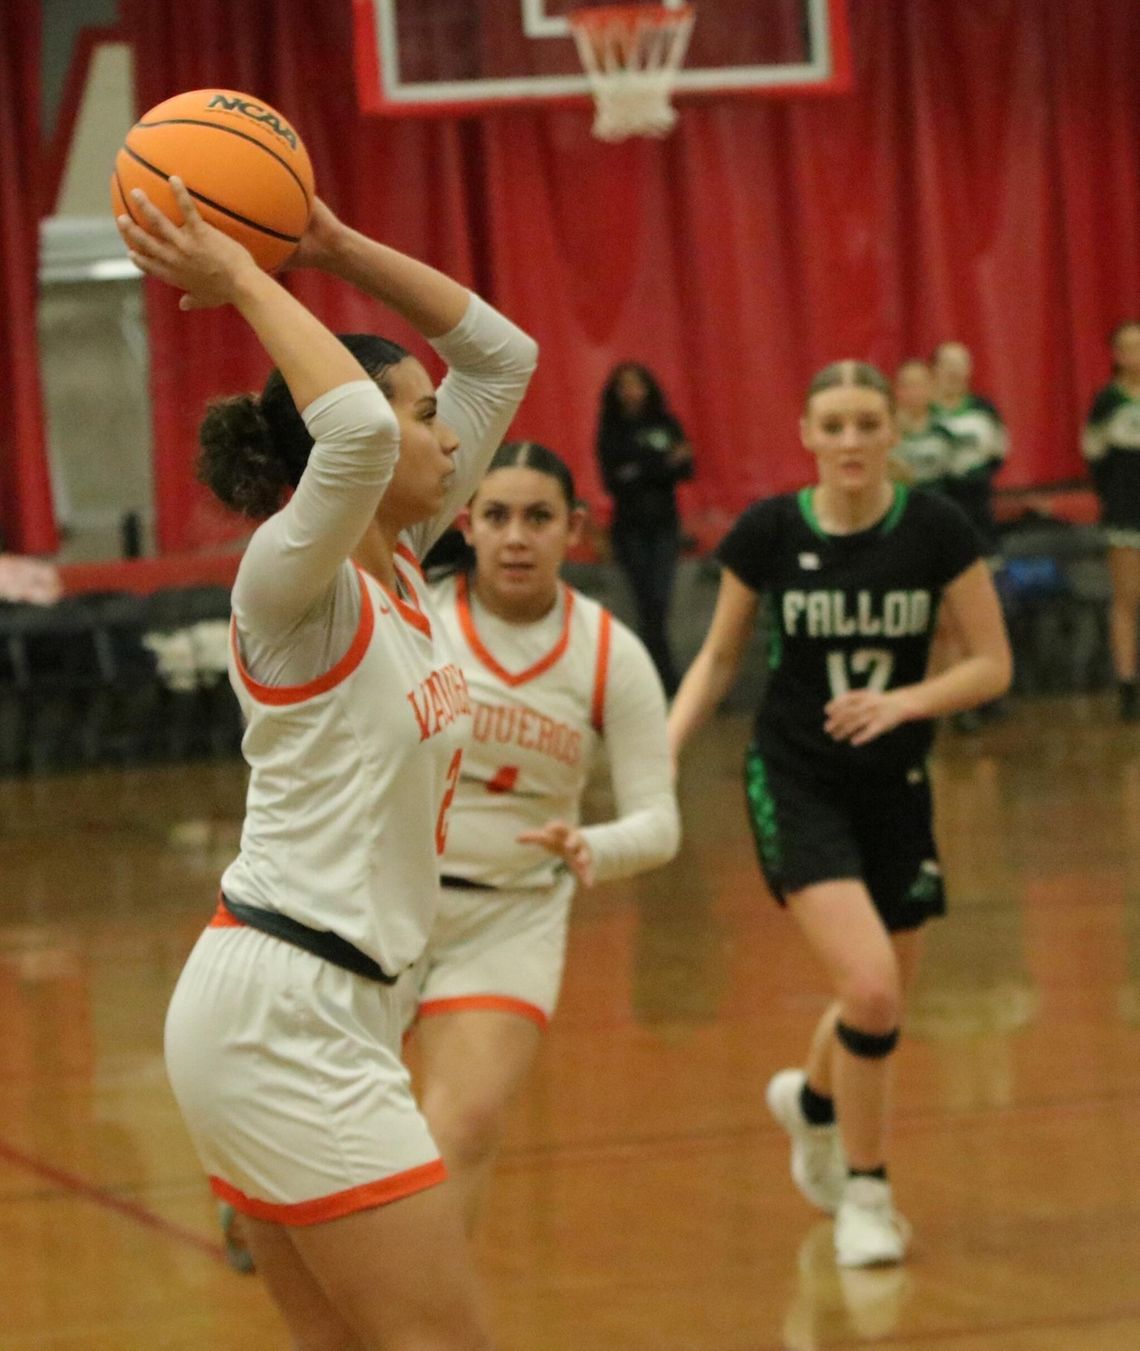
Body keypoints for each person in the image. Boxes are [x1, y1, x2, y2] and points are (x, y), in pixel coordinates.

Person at [119, 177, 537, 1348]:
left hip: (330, 1005)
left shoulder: (403, 556)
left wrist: (336, 244)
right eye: (422, 412)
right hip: (287, 1008)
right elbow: (350, 431)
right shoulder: (288, 584)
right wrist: (245, 277)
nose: (450, 432)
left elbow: (502, 357)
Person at [667, 361, 1011, 1269]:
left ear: (891, 432)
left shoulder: (936, 529)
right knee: (870, 990)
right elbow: (717, 659)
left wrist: (907, 702)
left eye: (868, 423)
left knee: (882, 989)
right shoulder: (772, 529)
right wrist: (654, 757)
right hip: (796, 777)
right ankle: (866, 1191)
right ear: (807, 434)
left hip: (896, 782)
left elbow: (992, 664)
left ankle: (813, 1102)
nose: (853, 440)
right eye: (835, 425)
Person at [408, 440, 680, 1233]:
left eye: (538, 517)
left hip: (511, 914)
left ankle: (420, 1320)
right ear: (467, 523)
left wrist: (595, 845)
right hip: (386, 901)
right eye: (496, 516)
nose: (516, 536)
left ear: (576, 529)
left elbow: (659, 821)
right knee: (334, 1136)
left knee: (463, 1129)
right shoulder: (415, 617)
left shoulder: (611, 655)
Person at [596, 362, 694, 695]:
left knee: (659, 603)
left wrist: (641, 467)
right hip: (629, 529)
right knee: (645, 604)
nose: (631, 392)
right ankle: (662, 681)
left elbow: (686, 468)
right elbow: (614, 480)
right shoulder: (612, 428)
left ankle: (656, 680)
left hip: (665, 526)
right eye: (624, 385)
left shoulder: (666, 423)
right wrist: (662, 462)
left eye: (637, 384)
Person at [1082, 320, 1140, 721]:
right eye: (1128, 347)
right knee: (1127, 598)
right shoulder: (1107, 403)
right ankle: (1127, 685)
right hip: (1125, 510)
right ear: (1116, 355)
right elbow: (1095, 459)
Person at [930, 341, 1008, 551]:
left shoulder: (984, 410)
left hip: (977, 505)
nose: (954, 371)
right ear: (935, 369)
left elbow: (998, 454)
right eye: (948, 364)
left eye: (961, 364)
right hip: (935, 506)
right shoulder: (924, 415)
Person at [890, 359, 958, 492]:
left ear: (931, 388)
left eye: (918, 385)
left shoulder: (945, 428)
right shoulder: (885, 431)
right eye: (906, 386)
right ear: (896, 389)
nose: (913, 392)